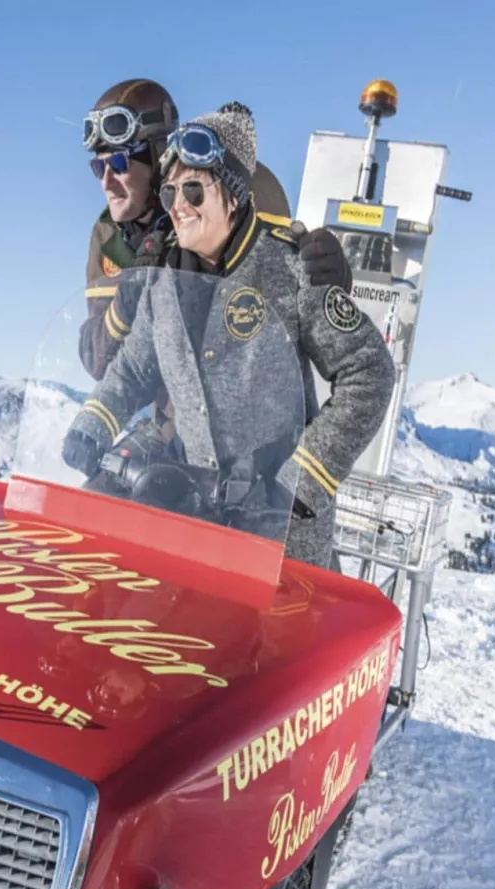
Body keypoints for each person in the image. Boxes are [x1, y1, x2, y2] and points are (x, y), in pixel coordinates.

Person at [63, 103, 396, 569]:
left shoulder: (291, 269)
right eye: (171, 193)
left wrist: (303, 479)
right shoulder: (164, 277)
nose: (178, 205)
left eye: (194, 191)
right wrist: (92, 424)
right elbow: (134, 367)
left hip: (279, 528)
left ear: (235, 194)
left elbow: (370, 372)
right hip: (199, 520)